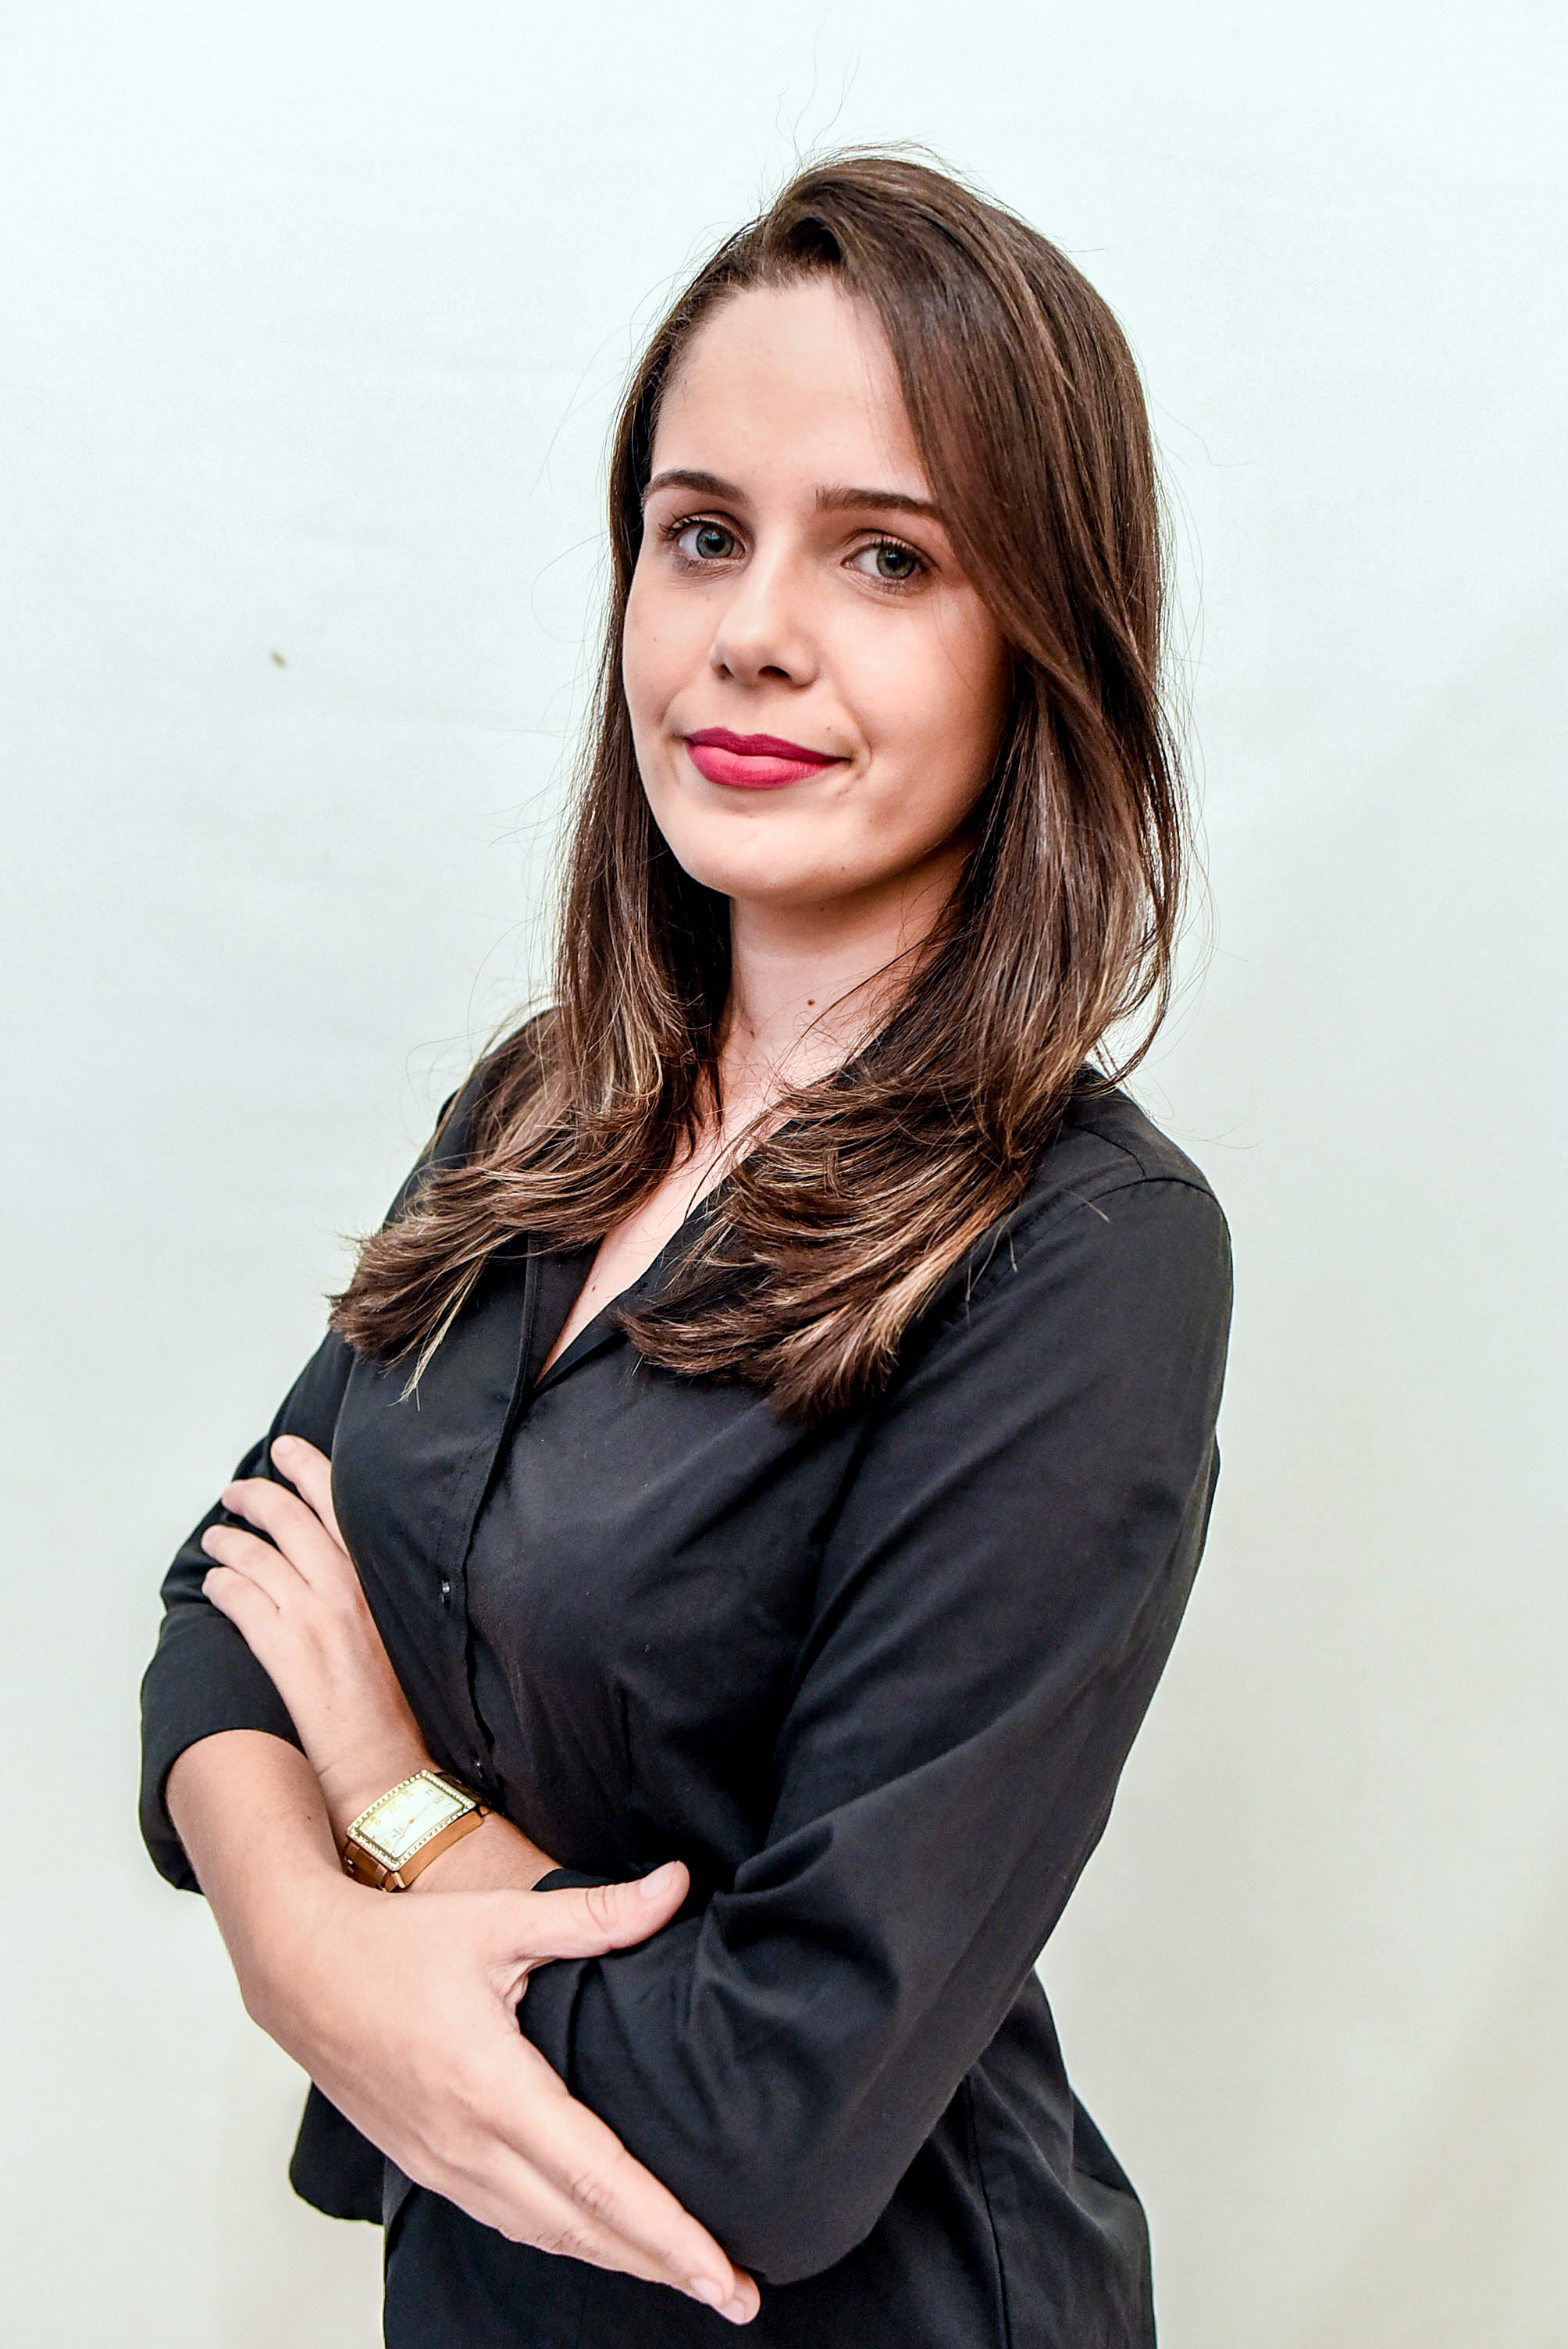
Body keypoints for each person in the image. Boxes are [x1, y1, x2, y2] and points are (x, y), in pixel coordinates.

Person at [140, 151, 1232, 2347]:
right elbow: (219, 1624)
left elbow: (772, 2117)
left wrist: (390, 1800)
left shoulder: (1090, 1259)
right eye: (702, 531)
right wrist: (304, 1945)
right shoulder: (545, 1105)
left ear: (1039, 641)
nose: (752, 630)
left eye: (888, 556)